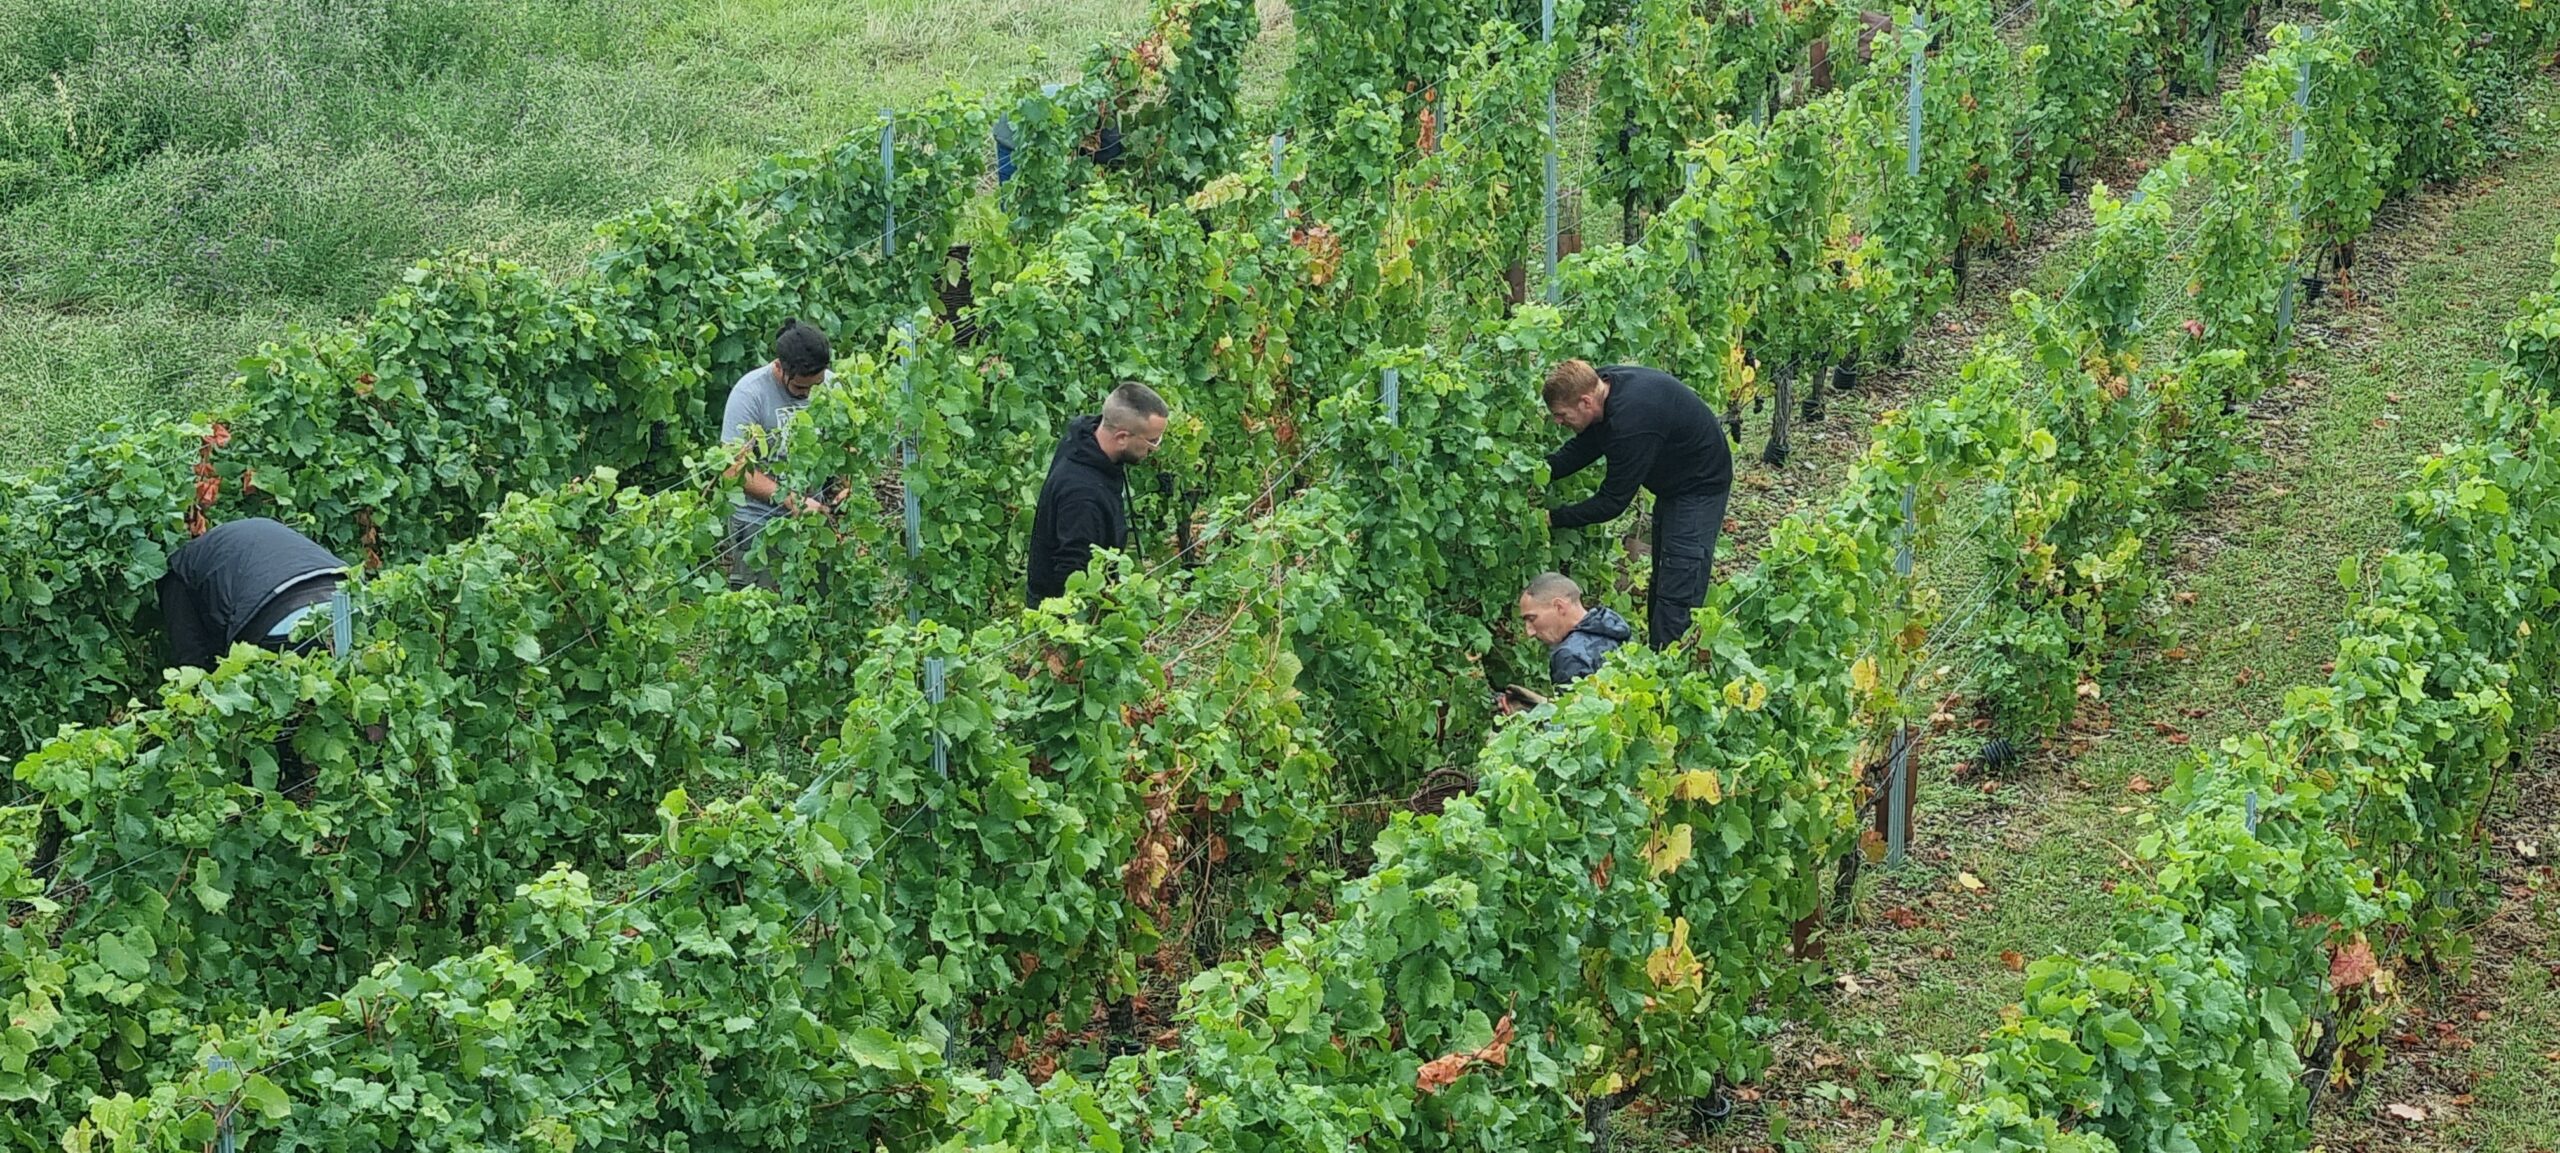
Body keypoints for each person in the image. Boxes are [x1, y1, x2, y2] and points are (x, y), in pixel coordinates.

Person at [1540, 359, 1732, 649]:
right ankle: (1658, 655)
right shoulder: (1602, 387)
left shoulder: (1632, 423)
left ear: (1585, 402)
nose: (1557, 421)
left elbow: (1611, 502)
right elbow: (1583, 448)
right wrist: (1537, 473)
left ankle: (1673, 670)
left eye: (1561, 414)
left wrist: (1553, 518)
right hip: (1674, 483)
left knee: (1680, 580)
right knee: (1663, 575)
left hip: (1699, 488)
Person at [1027, 382, 1170, 606]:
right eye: (1152, 441)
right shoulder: (1082, 495)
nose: (1155, 449)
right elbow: (1072, 575)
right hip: (1064, 618)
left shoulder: (1084, 440)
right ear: (1122, 437)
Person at [721, 319, 839, 591]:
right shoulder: (750, 394)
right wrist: (792, 500)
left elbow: (843, 444)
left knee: (817, 604)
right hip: (757, 522)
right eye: (800, 388)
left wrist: (843, 486)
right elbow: (732, 470)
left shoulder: (831, 387)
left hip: (811, 516)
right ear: (779, 367)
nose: (808, 393)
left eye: (815, 385)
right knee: (760, 609)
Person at [159, 517, 348, 670]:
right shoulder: (260, 533)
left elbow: (191, 661)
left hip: (274, 618)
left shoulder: (178, 574)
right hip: (345, 601)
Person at [1500, 572, 1635, 712]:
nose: (1529, 632)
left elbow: (1571, 724)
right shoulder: (1615, 629)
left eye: (1532, 618)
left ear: (1559, 607)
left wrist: (1523, 716)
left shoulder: (1569, 655)